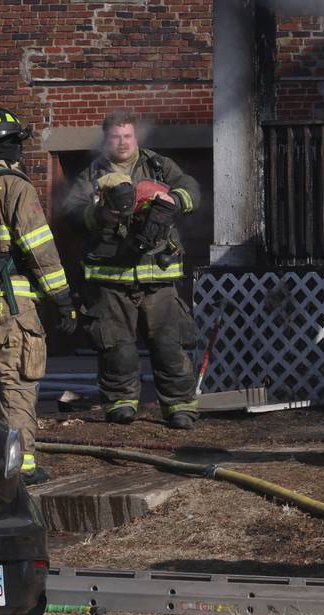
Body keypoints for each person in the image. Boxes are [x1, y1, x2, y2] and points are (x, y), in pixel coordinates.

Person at [0, 108, 77, 485]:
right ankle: (20, 469)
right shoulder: (16, 186)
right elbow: (39, 249)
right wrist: (62, 300)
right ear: (13, 148)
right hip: (12, 310)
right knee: (17, 386)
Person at [65, 111, 200, 430]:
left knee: (169, 344)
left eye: (127, 136)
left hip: (158, 274)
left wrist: (172, 203)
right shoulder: (91, 174)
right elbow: (71, 212)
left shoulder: (158, 166)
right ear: (106, 139)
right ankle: (120, 403)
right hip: (110, 279)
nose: (122, 142)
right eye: (115, 136)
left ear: (136, 138)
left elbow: (189, 188)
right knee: (117, 346)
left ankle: (179, 406)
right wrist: (99, 216)